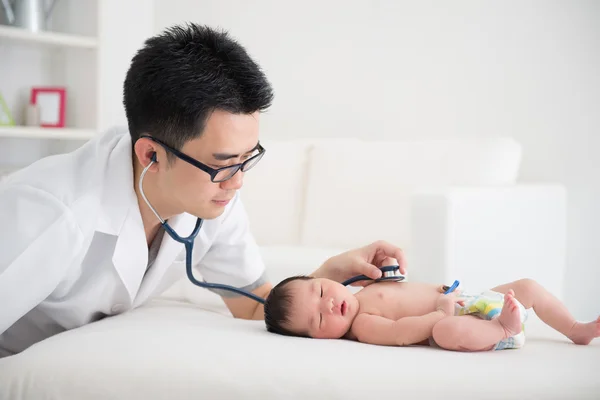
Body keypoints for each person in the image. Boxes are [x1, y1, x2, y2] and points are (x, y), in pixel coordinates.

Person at [0, 23, 407, 358]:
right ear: (151, 155)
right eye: (223, 163)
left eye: (249, 158)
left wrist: (325, 277)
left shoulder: (212, 201)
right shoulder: (51, 212)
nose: (238, 181)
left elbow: (253, 306)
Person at [263, 260, 599, 351]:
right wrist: (440, 312)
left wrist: (392, 270)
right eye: (320, 320)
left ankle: (574, 328)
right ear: (319, 338)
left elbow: (402, 286)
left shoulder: (362, 288)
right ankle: (504, 329)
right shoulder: (362, 325)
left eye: (322, 291)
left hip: (472, 300)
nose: (330, 304)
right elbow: (399, 333)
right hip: (468, 325)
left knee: (526, 286)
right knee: (443, 331)